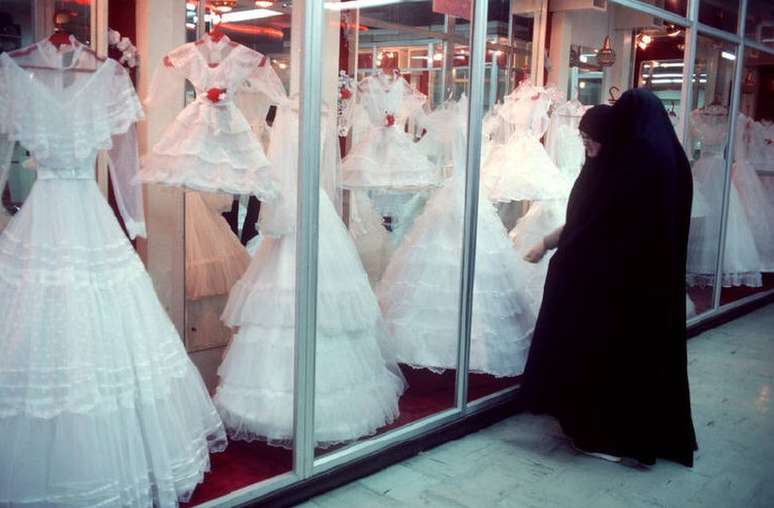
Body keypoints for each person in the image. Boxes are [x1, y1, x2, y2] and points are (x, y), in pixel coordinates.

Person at [520, 89, 698, 467]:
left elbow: (603, 224)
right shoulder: (668, 160)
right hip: (647, 284)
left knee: (610, 362)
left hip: (616, 284)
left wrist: (564, 252)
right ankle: (636, 433)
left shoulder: (633, 163)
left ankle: (609, 435)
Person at [523, 104, 613, 263]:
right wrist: (545, 244)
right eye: (583, 137)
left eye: (591, 137)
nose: (585, 143)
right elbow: (578, 221)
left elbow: (587, 223)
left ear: (605, 137)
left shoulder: (611, 177)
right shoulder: (591, 170)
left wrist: (546, 243)